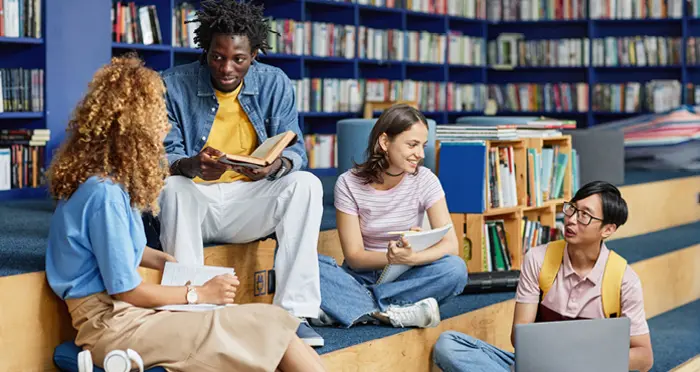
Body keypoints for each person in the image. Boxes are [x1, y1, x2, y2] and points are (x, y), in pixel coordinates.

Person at [44, 55, 325, 372]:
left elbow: (116, 251)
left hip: (126, 319)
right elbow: (126, 289)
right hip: (117, 327)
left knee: (274, 329)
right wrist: (198, 293)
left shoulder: (102, 184)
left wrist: (163, 261)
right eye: (157, 117)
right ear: (134, 126)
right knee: (273, 324)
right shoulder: (104, 193)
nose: (164, 127)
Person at [157, 0, 324, 346]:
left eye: (238, 59)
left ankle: (293, 315)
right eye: (217, 56)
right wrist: (191, 164)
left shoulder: (274, 83)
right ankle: (195, 312)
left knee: (305, 184)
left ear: (256, 54)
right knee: (173, 187)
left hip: (250, 201)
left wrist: (273, 167)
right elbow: (160, 158)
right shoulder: (173, 84)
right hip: (196, 199)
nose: (226, 68)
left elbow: (295, 150)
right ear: (205, 49)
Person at [432, 181, 654, 372]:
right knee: (448, 345)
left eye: (584, 215)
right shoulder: (538, 259)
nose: (572, 220)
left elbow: (644, 357)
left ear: (607, 230)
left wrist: (581, 362)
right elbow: (519, 338)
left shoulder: (624, 279)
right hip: (537, 367)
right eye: (572, 209)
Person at [311, 104, 468, 329]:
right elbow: (355, 257)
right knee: (310, 264)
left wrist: (412, 258)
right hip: (362, 275)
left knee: (455, 269)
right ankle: (395, 311)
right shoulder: (348, 183)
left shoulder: (425, 179)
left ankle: (358, 308)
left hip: (407, 275)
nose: (421, 154)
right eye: (412, 145)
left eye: (423, 146)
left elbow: (451, 245)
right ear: (385, 142)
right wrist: (393, 257)